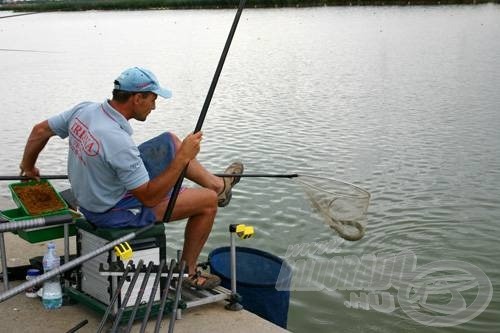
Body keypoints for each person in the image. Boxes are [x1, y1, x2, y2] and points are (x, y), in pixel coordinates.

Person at [19, 66, 243, 290]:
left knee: (171, 142)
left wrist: (28, 167)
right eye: (153, 99)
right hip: (111, 211)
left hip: (92, 192)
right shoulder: (118, 142)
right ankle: (187, 272)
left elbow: (40, 131)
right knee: (207, 202)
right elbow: (149, 197)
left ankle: (218, 185)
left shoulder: (86, 110)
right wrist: (183, 159)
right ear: (137, 98)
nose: (154, 106)